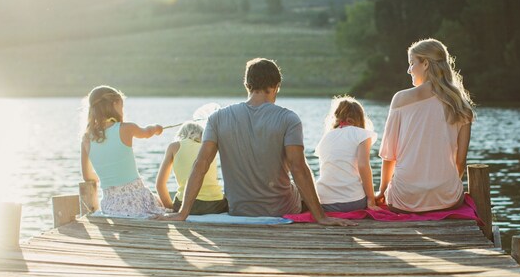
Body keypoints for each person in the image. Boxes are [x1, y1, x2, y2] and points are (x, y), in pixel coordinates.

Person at [161, 58, 354, 226]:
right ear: (277, 86)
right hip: (281, 208)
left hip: (239, 210)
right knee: (305, 171)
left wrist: (183, 213)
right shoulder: (289, 119)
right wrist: (320, 217)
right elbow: (298, 168)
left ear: (247, 85)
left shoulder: (217, 118)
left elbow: (200, 164)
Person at [377, 38, 475, 213]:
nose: (409, 70)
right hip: (448, 198)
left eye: (412, 63)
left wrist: (382, 190)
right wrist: (443, 187)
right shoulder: (461, 105)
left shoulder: (400, 99)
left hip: (404, 199)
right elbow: (460, 161)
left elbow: (389, 155)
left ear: (425, 64)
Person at [80, 85, 168, 218]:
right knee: (159, 203)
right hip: (137, 203)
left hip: (110, 206)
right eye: (121, 106)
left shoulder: (86, 138)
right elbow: (147, 133)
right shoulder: (126, 128)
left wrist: (107, 177)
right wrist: (156, 128)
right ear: (114, 104)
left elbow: (87, 176)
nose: (122, 111)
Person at [315, 96, 380, 213]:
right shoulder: (362, 134)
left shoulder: (326, 137)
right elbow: (363, 166)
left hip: (324, 202)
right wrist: (371, 199)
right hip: (352, 203)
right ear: (360, 118)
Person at [154, 122, 229, 215]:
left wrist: (172, 209)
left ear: (181, 134)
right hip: (215, 205)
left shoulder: (174, 146)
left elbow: (160, 185)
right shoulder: (209, 148)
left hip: (185, 205)